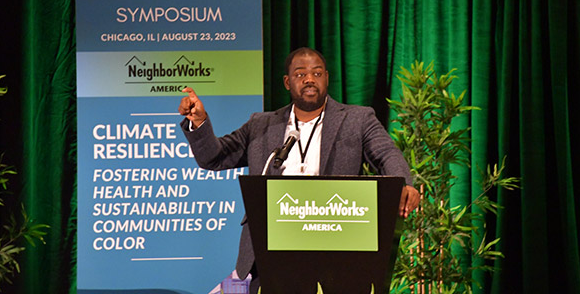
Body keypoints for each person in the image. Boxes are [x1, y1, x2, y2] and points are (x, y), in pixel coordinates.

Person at [178, 47, 419, 293]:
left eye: (316, 73)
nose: (309, 79)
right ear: (287, 82)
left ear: (326, 77)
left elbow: (386, 153)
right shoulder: (261, 124)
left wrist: (405, 183)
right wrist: (199, 122)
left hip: (335, 240)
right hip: (274, 243)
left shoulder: (357, 120)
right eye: (300, 74)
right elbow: (214, 158)